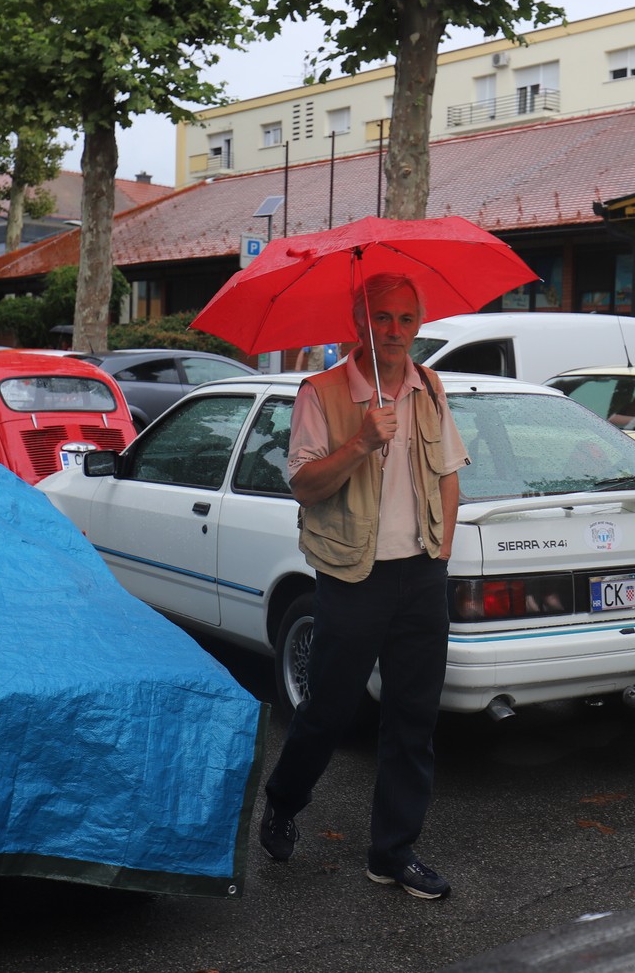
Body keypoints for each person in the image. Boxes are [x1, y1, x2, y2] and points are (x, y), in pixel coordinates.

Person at [258, 272, 468, 902]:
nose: (396, 331)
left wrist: (444, 549)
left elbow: (450, 474)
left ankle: (392, 852)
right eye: (383, 318)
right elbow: (304, 485)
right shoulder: (320, 393)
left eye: (406, 319)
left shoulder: (430, 387)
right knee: (327, 712)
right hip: (353, 576)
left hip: (421, 573)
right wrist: (359, 443)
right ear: (360, 324)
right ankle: (283, 801)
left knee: (412, 721)